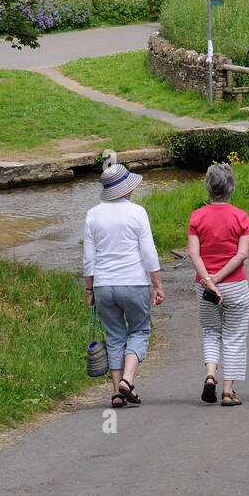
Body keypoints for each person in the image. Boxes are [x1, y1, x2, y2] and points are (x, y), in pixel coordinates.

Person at [83, 162, 164, 409]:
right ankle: (127, 381)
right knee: (139, 330)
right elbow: (148, 253)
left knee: (115, 336)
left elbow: (89, 259)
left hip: (104, 285)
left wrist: (89, 290)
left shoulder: (93, 214)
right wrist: (157, 284)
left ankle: (117, 394)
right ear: (125, 189)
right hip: (134, 282)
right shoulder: (137, 212)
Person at [187, 162, 249, 407]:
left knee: (211, 332)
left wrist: (208, 280)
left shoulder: (197, 217)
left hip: (204, 288)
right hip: (234, 283)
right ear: (231, 188)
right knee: (235, 336)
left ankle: (210, 375)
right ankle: (228, 391)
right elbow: (241, 255)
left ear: (208, 188)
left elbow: (194, 254)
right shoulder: (241, 216)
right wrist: (219, 278)